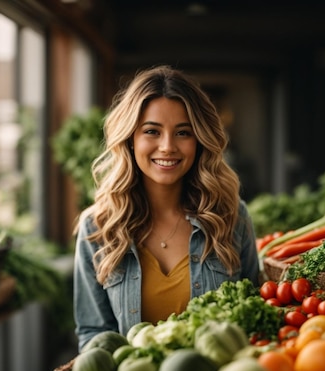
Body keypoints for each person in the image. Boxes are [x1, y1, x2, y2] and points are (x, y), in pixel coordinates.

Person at [73, 65, 260, 351]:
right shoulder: (98, 228)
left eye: (183, 133)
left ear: (199, 141)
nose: (167, 146)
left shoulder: (230, 217)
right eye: (152, 131)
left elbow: (254, 319)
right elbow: (94, 334)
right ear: (130, 139)